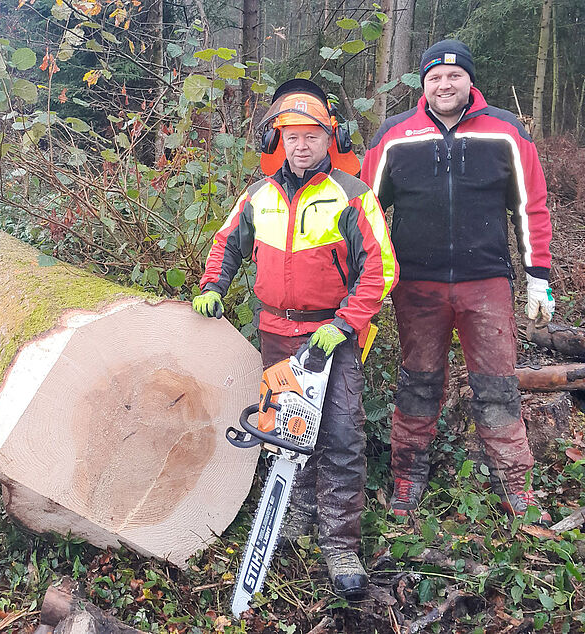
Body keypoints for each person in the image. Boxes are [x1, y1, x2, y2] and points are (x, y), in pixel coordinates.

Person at [192, 79, 398, 598]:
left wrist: (346, 322)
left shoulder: (351, 196)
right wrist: (213, 285)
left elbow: (381, 267)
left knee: (341, 436)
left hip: (331, 334)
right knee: (284, 429)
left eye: (311, 135)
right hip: (276, 331)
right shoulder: (258, 196)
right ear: (276, 142)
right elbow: (226, 243)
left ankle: (340, 541)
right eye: (291, 136)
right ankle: (296, 515)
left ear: (331, 138)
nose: (301, 145)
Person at [361, 40, 555, 524]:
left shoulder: (506, 131)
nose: (444, 85)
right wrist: (362, 278)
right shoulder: (395, 135)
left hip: (486, 281)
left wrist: (539, 278)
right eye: (434, 78)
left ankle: (516, 485)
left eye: (453, 77)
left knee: (497, 385)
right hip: (417, 284)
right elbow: (365, 212)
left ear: (470, 81)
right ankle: (407, 477)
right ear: (423, 84)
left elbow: (531, 206)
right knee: (418, 381)